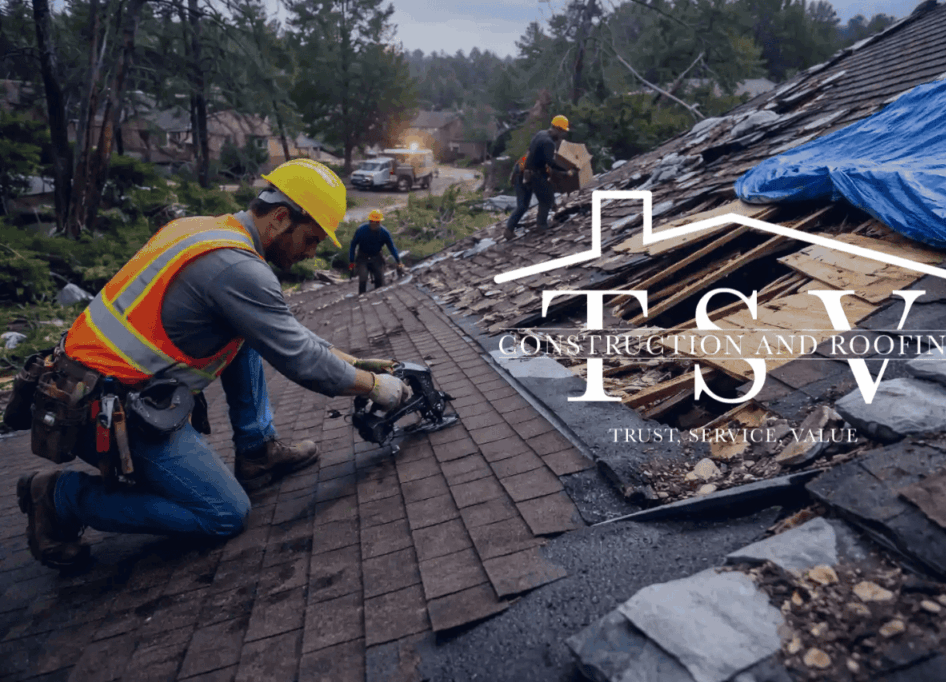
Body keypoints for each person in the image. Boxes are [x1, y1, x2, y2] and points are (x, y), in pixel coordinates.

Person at [14, 158, 413, 570]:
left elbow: (283, 332)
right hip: (103, 412)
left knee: (248, 331)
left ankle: (257, 451)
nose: (311, 253)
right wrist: (374, 387)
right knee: (224, 514)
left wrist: (354, 362)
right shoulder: (238, 270)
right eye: (311, 239)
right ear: (280, 219)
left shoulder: (204, 230)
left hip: (86, 384)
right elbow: (301, 360)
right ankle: (60, 497)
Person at [504, 115, 574, 241]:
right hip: (532, 174)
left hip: (521, 170)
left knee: (522, 205)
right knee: (545, 201)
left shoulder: (540, 134)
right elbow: (550, 163)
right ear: (558, 129)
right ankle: (541, 226)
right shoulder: (549, 143)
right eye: (562, 131)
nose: (562, 135)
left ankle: (509, 229)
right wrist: (566, 171)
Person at [348, 210, 404, 294]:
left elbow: (392, 247)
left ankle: (378, 296)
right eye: (374, 222)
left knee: (380, 279)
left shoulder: (384, 233)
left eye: (378, 222)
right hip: (363, 257)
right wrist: (351, 261)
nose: (376, 224)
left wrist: (398, 261)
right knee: (363, 278)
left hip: (377, 256)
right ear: (370, 221)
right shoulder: (361, 230)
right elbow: (353, 245)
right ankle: (361, 296)